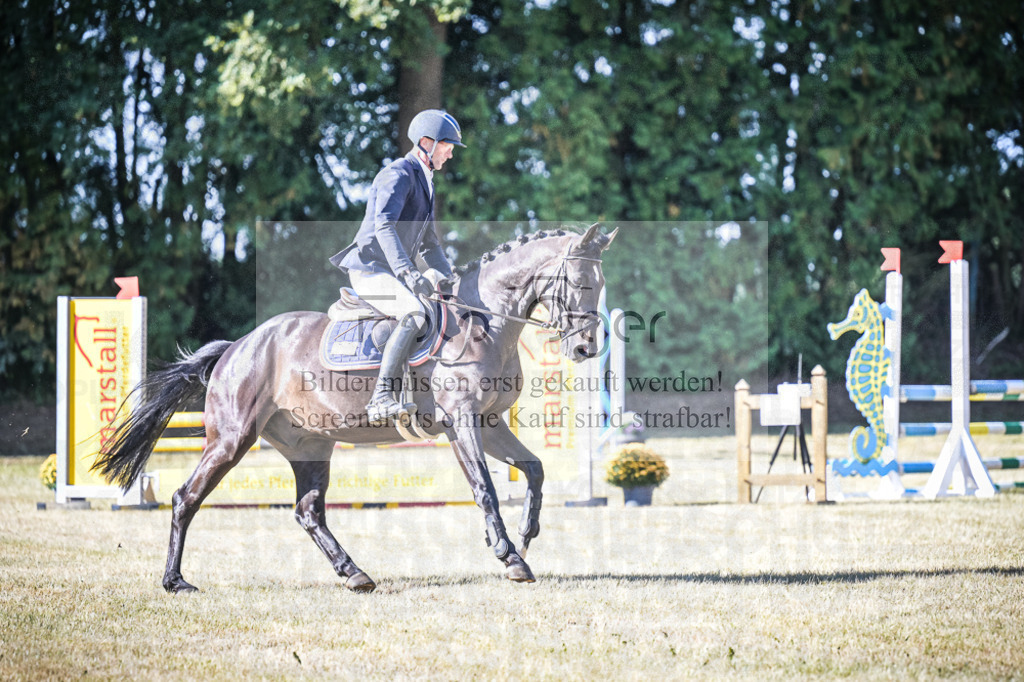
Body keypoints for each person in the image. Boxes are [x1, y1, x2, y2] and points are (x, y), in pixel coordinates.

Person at [329, 109, 464, 425]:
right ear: (427, 143)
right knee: (414, 312)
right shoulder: (398, 174)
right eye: (448, 145)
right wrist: (408, 272)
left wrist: (455, 281)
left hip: (389, 272)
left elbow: (430, 244)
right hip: (370, 269)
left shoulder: (425, 181)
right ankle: (381, 398)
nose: (451, 152)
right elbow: (384, 225)